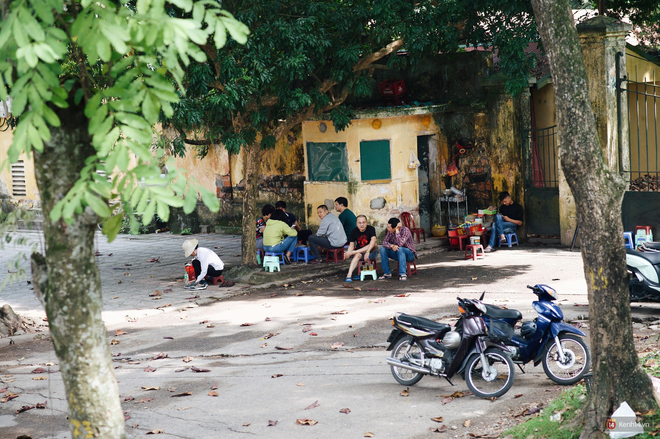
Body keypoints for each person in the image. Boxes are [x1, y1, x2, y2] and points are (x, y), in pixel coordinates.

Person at [343, 214, 378, 282]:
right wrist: (348, 253)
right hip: (360, 253)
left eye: (363, 222)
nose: (362, 224)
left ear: (366, 222)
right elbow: (351, 245)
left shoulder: (371, 229)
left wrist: (367, 252)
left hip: (371, 252)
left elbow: (373, 240)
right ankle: (349, 275)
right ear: (356, 223)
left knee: (374, 244)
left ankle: (355, 252)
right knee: (357, 255)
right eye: (359, 223)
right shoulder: (353, 231)